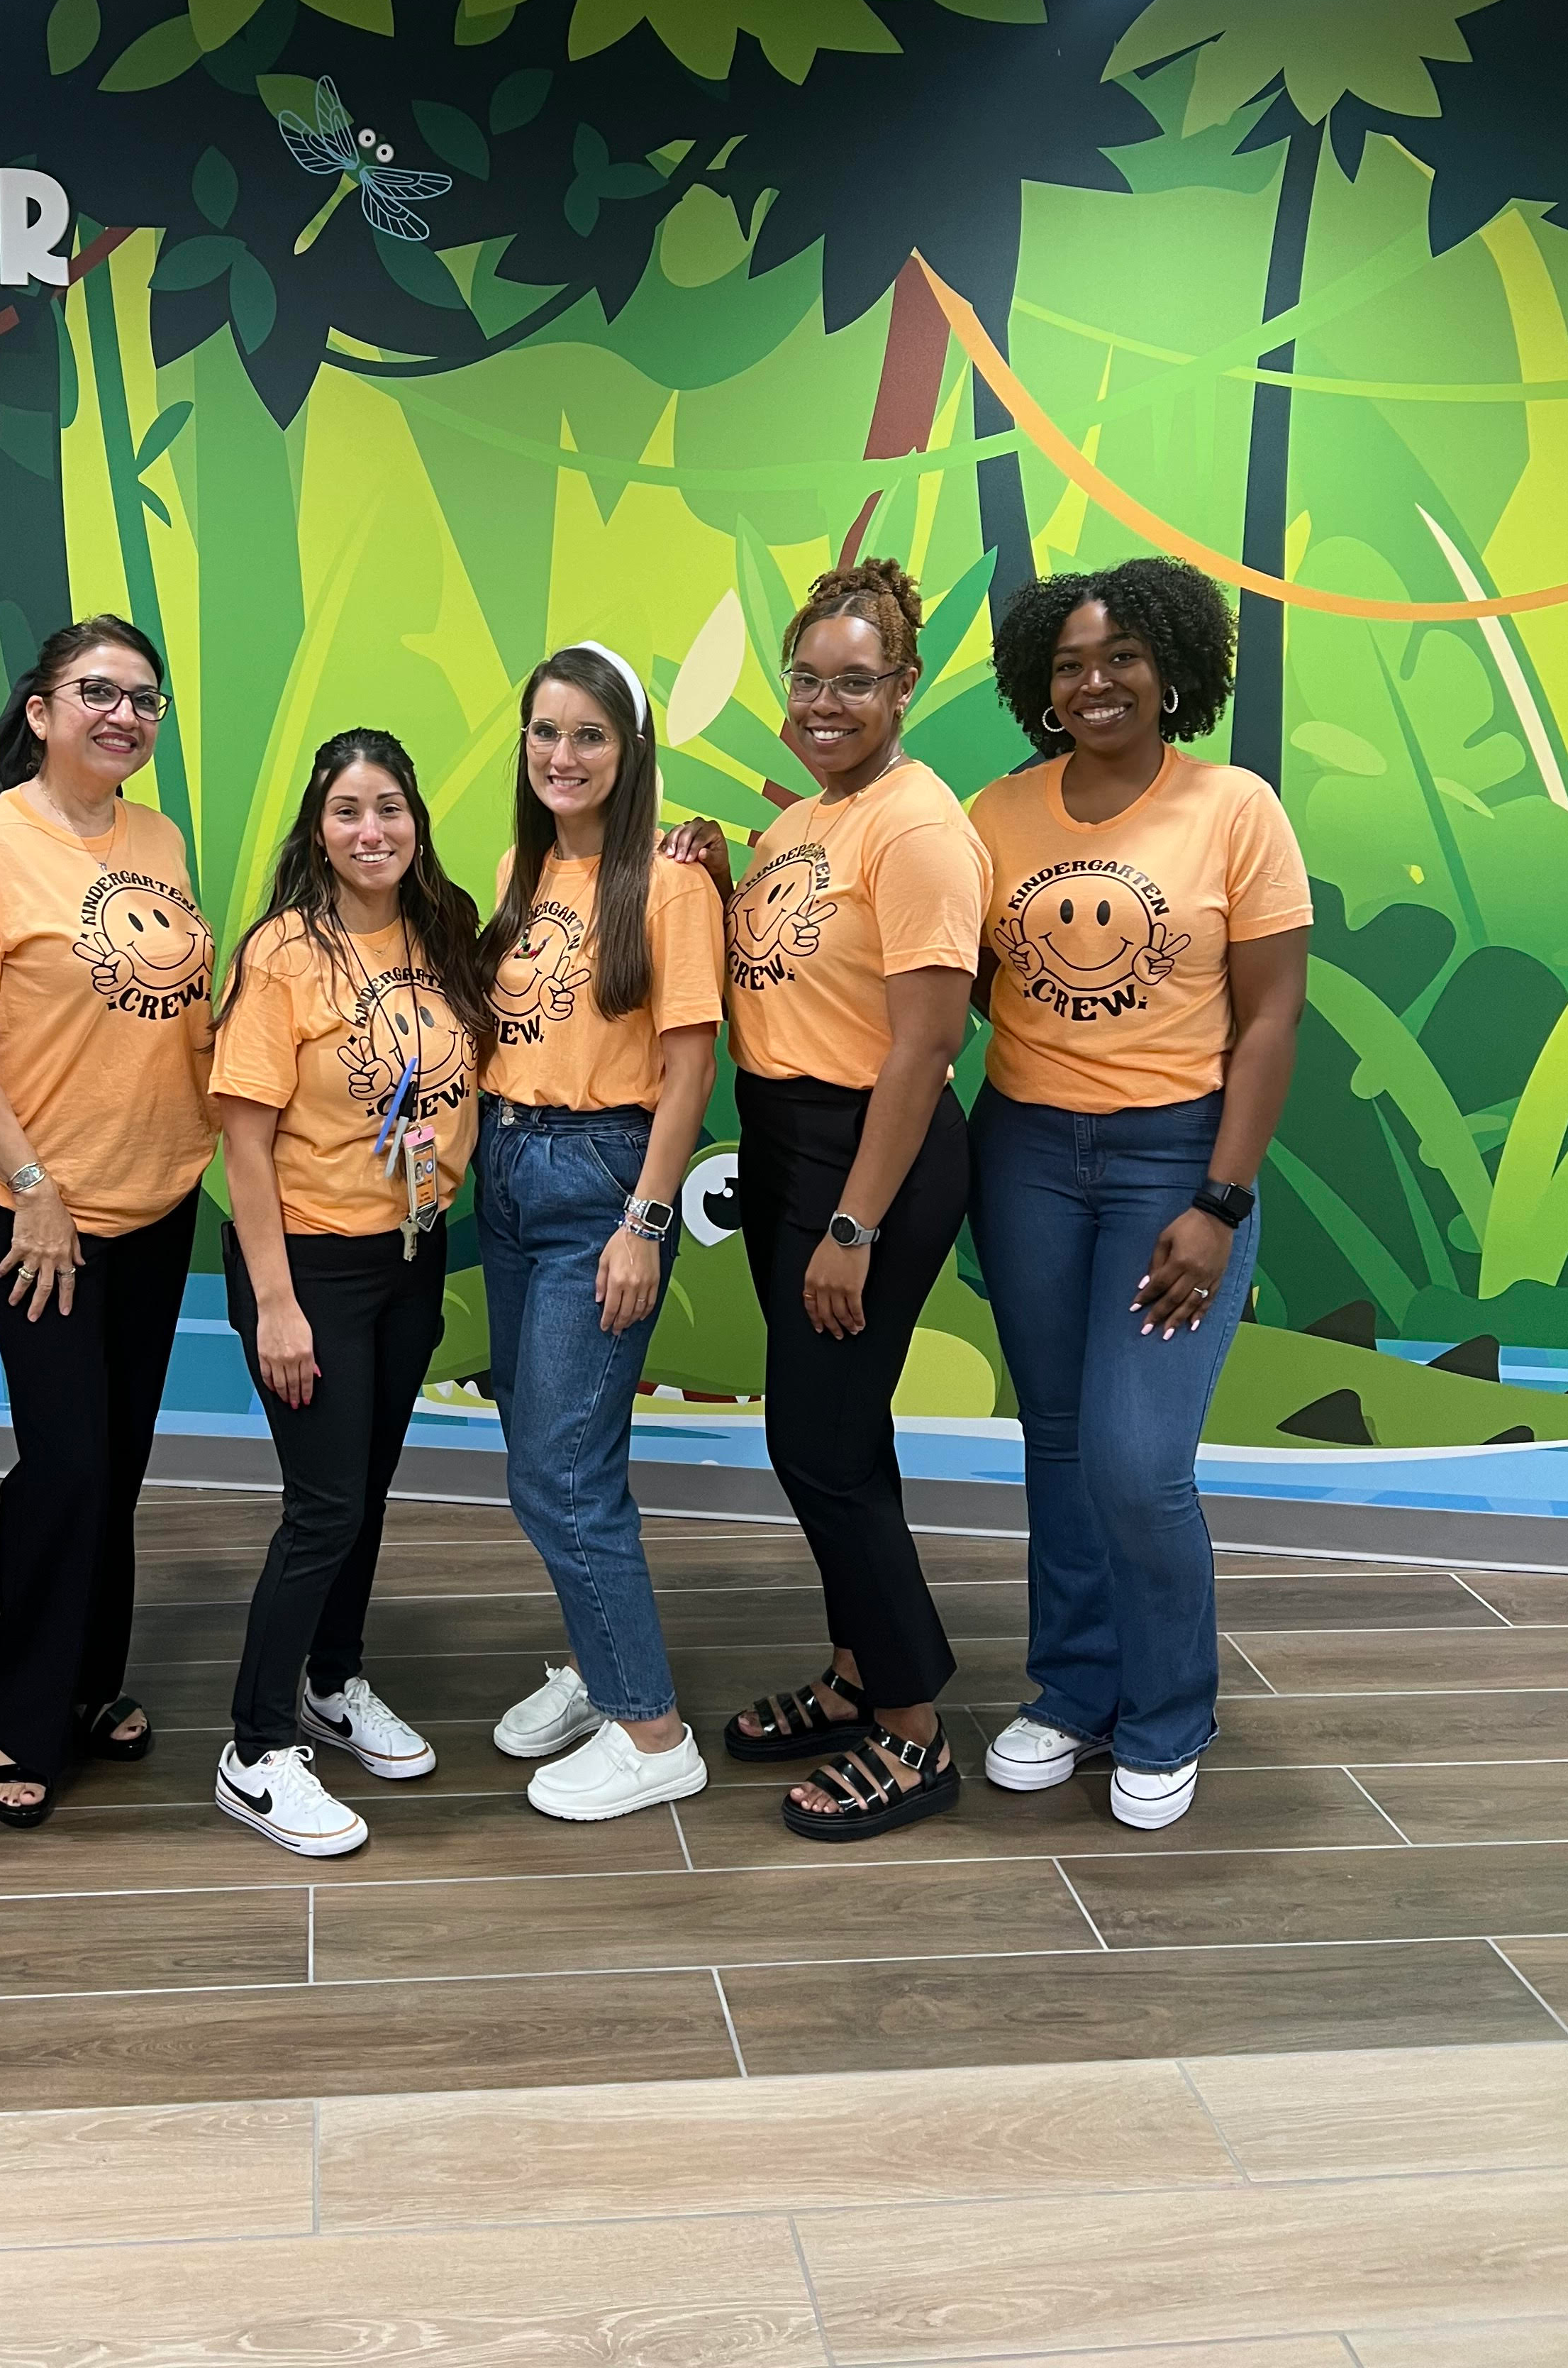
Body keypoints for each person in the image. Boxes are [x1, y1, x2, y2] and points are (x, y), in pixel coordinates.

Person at [971, 558, 1309, 1831]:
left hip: (1177, 1158)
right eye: (1068, 663)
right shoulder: (994, 814)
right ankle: (1073, 1689)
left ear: (1173, 668)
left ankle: (1168, 1713)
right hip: (1026, 1155)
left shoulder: (1234, 808)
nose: (1094, 680)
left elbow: (1271, 1019)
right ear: (1039, 688)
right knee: (1056, 1442)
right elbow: (912, 946)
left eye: (1119, 657)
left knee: (1135, 1458)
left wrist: (1221, 1201)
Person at [667, 559, 988, 1842]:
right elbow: (790, 961)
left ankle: (913, 1730)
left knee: (815, 1448)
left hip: (875, 1160)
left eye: (855, 682)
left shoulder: (917, 827)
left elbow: (922, 1048)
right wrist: (709, 856)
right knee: (841, 1442)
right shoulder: (808, 821)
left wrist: (853, 1227)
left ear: (903, 688)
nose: (824, 702)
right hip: (791, 1150)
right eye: (806, 679)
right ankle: (862, 1670)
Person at [0, 616, 215, 1829]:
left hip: (158, 1196)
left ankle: (93, 1684)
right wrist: (34, 1189)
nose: (124, 716)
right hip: (42, 1213)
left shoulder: (161, 838)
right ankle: (20, 1714)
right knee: (67, 1463)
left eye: (145, 699)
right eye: (98, 693)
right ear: (40, 709)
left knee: (119, 1462)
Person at [210, 730, 489, 1857]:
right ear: (317, 830)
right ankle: (256, 1747)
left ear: (415, 821)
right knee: (321, 1507)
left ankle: (334, 1678)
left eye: (389, 809)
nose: (371, 832)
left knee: (363, 1494)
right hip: (309, 1265)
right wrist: (276, 1304)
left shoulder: (445, 934)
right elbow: (242, 1139)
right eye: (346, 812)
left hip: (409, 1255)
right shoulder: (283, 954)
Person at [477, 641, 723, 1821]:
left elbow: (688, 1075)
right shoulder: (519, 876)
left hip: (601, 1182)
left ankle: (653, 1731)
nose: (561, 756)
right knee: (548, 1450)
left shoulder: (669, 884)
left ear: (629, 754)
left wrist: (645, 1222)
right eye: (545, 733)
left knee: (563, 1475)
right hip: (508, 1171)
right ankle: (597, 1659)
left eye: (588, 735)